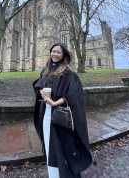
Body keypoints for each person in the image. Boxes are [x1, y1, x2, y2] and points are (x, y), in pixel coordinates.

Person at [33, 43, 92, 178]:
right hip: (45, 114)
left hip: (59, 116)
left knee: (61, 146)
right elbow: (38, 85)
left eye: (58, 52)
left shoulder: (68, 73)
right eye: (53, 51)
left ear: (64, 55)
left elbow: (73, 94)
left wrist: (54, 102)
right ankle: (53, 174)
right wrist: (42, 91)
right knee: (49, 145)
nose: (54, 54)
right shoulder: (46, 70)